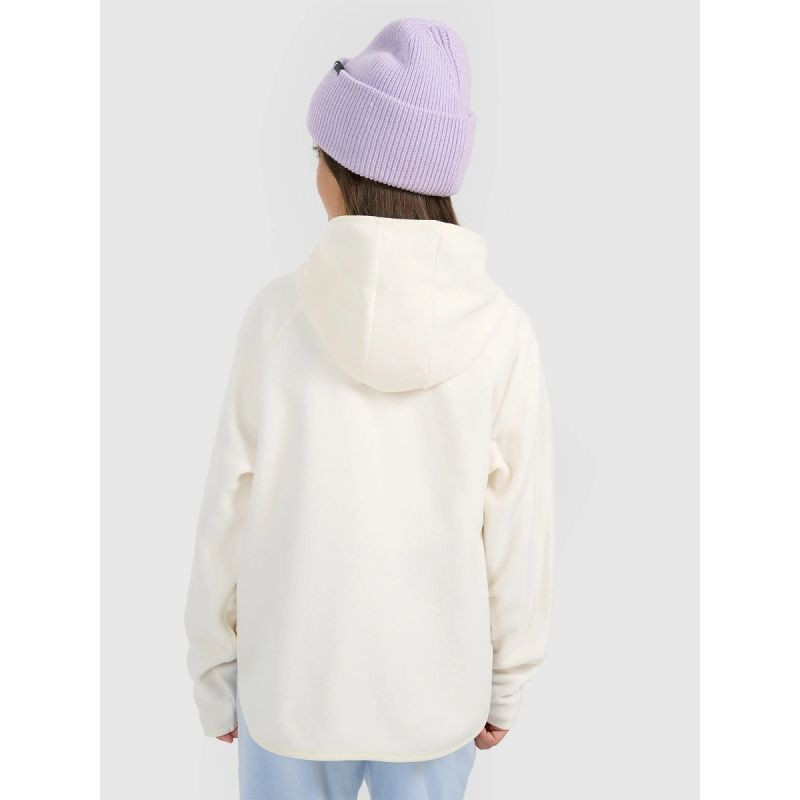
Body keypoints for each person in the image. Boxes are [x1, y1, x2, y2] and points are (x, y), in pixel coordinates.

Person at [184, 17, 555, 800]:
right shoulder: (502, 334)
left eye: (320, 152)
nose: (313, 168)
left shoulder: (277, 320)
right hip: (434, 702)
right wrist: (506, 683)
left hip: (290, 694)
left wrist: (215, 670)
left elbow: (226, 511)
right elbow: (519, 531)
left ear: (348, 171)